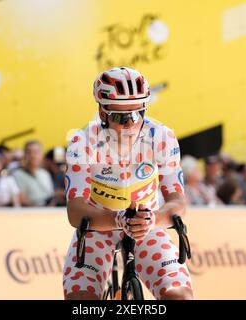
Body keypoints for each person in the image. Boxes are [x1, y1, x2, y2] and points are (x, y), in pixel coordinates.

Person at [63, 67, 192, 300]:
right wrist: (117, 220)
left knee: (180, 298)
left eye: (136, 115)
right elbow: (75, 211)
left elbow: (178, 202)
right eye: (119, 117)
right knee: (80, 302)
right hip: (97, 229)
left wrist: (154, 219)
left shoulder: (161, 137)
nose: (130, 125)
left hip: (147, 227)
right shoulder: (82, 142)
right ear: (102, 114)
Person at [12, 140, 55, 206]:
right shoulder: (17, 174)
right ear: (24, 154)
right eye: (29, 152)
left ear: (41, 154)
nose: (33, 155)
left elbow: (50, 195)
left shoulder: (45, 174)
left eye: (36, 152)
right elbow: (21, 200)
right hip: (29, 214)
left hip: (47, 213)